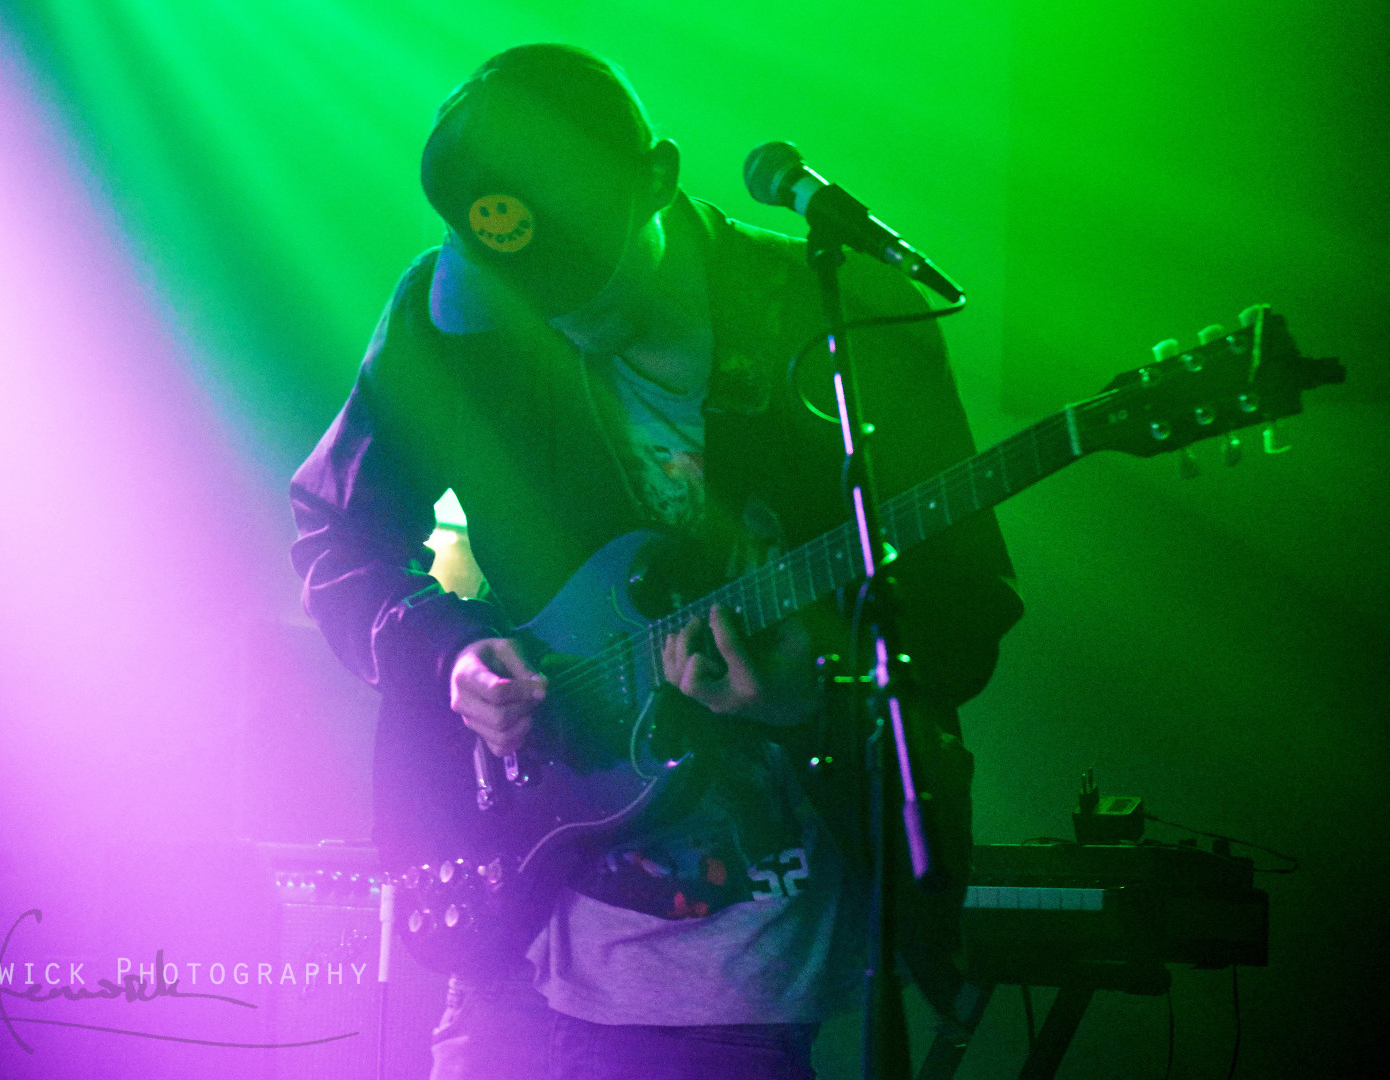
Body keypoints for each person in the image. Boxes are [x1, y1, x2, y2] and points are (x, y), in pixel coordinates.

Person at [290, 44, 1021, 1080]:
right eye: (514, 284)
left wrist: (812, 693)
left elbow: (965, 602)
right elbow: (336, 530)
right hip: (511, 917)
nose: (548, 312)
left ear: (659, 177)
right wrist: (449, 654)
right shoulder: (447, 319)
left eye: (577, 276)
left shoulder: (836, 313)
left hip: (733, 965)